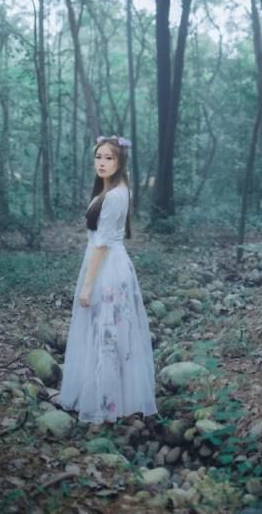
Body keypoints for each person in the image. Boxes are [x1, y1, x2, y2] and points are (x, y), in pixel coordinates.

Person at [59, 135, 157, 423]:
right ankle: (104, 396)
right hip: (109, 263)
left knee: (106, 332)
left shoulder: (114, 195)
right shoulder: (113, 190)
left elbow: (101, 245)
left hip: (107, 268)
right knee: (108, 331)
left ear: (120, 162)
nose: (101, 163)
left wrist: (87, 286)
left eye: (109, 158)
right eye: (98, 157)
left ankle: (106, 404)